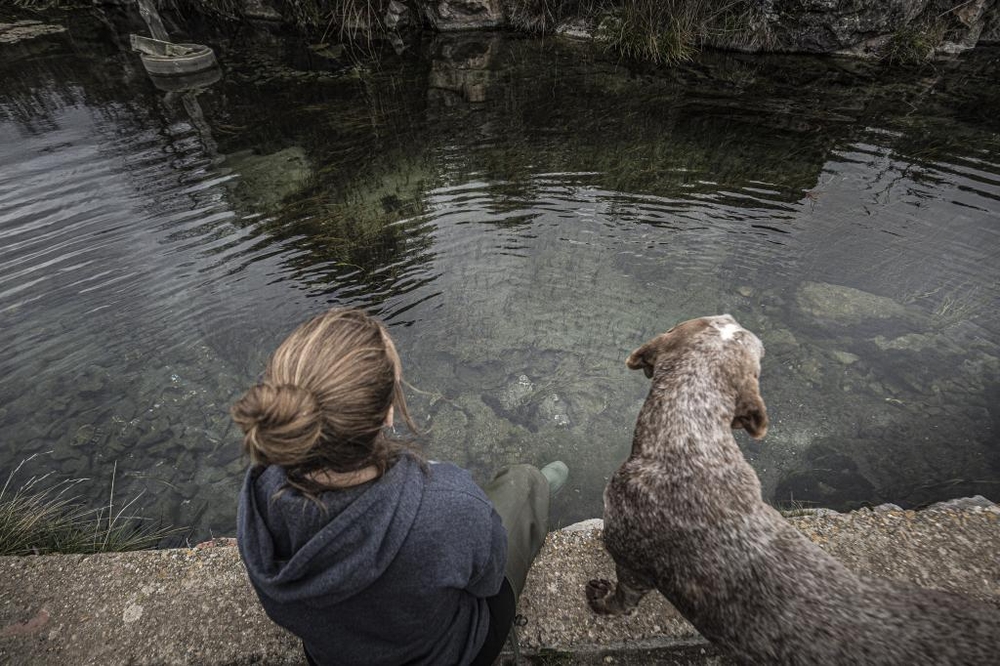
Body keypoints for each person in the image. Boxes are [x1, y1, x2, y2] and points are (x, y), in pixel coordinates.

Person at [231, 308, 569, 665]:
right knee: (520, 486)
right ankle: (536, 488)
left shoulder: (257, 496)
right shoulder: (449, 502)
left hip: (333, 655)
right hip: (446, 652)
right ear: (388, 413)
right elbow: (486, 581)